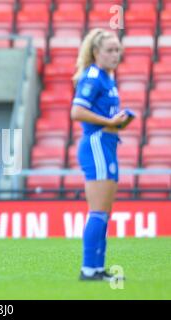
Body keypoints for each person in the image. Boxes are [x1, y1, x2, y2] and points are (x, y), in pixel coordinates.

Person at [71, 29, 134, 281]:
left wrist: (117, 122)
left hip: (107, 144)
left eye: (117, 49)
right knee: (98, 211)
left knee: (104, 211)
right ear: (96, 52)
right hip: (96, 144)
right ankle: (88, 269)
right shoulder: (93, 77)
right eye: (109, 50)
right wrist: (109, 121)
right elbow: (77, 112)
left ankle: (97, 268)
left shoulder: (108, 77)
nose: (115, 54)